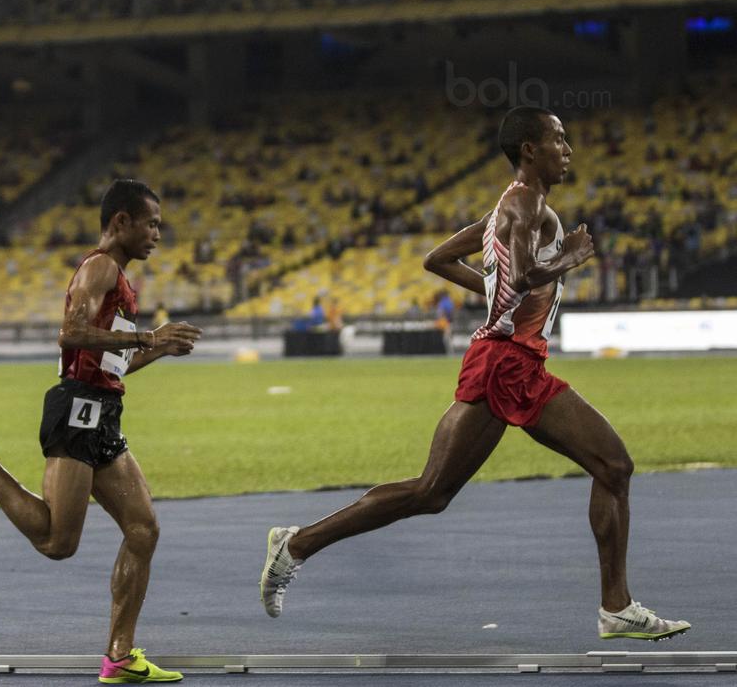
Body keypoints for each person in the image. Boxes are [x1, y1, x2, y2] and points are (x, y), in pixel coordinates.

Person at [260, 106, 690, 642]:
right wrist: (571, 257)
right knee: (430, 492)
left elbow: (438, 259)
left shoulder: (508, 207)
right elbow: (527, 274)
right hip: (503, 362)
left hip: (520, 362)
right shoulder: (525, 203)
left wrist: (495, 294)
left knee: (613, 467)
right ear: (530, 149)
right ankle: (296, 544)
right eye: (558, 139)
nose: (568, 150)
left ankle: (616, 607)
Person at [0, 180, 201, 684]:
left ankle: (119, 657)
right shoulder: (100, 267)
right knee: (56, 541)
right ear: (121, 222)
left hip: (102, 411)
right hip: (77, 411)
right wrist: (146, 336)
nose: (158, 234)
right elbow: (70, 334)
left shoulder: (120, 280)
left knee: (143, 529)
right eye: (152, 223)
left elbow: (110, 366)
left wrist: (158, 349)